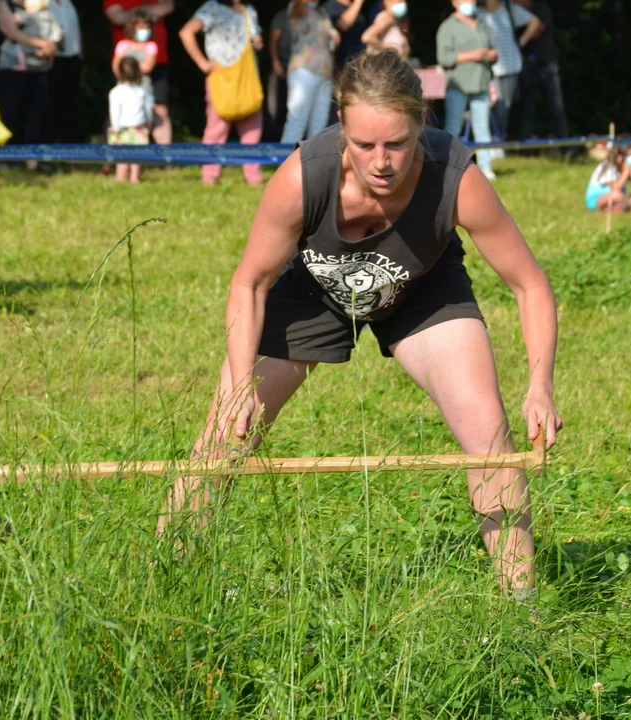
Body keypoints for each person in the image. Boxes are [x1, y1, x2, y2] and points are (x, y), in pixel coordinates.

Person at [156, 50, 562, 599]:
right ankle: (166, 585)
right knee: (225, 432)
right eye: (364, 144)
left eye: (397, 143)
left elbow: (530, 285)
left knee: (489, 434)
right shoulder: (304, 176)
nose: (381, 162)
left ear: (421, 123)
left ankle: (521, 610)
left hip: (422, 289)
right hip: (313, 289)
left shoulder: (455, 177)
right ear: (341, 124)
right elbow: (249, 284)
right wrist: (239, 386)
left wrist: (539, 387)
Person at [179, 0, 265, 186]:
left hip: (247, 76)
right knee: (216, 128)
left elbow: (255, 39)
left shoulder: (249, 10)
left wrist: (258, 42)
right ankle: (209, 176)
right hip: (221, 77)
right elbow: (186, 32)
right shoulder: (212, 8)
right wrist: (202, 63)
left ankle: (253, 177)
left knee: (252, 127)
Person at [0, 0, 60, 171]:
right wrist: (44, 44)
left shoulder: (41, 4)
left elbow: (55, 29)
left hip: (39, 67)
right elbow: (12, 32)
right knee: (7, 112)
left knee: (36, 114)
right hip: (11, 67)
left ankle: (32, 160)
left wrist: (51, 47)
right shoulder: (4, 4)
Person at [437, 0, 497, 181]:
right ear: (454, 3)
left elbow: (492, 48)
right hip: (458, 85)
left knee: (482, 128)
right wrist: (472, 55)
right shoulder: (448, 26)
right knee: (453, 127)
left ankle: (486, 168)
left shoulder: (481, 24)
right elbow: (444, 58)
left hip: (481, 83)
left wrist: (492, 55)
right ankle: (448, 166)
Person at [104, 0, 174, 146]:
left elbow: (167, 6)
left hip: (150, 78)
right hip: (124, 82)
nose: (143, 30)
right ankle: (112, 153)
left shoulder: (151, 47)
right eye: (139, 26)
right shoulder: (123, 46)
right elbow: (117, 17)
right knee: (116, 111)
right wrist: (149, 11)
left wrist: (134, 12)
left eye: (146, 26)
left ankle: (165, 155)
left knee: (158, 109)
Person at [477, 0, 542, 141]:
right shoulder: (478, 14)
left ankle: (497, 140)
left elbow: (534, 22)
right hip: (486, 68)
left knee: (503, 108)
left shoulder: (509, 9)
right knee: (488, 107)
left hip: (510, 66)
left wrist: (520, 43)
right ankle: (489, 140)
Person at [279, 0, 339, 145]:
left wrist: (335, 38)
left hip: (324, 71)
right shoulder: (297, 6)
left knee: (319, 121)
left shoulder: (322, 12)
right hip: (303, 68)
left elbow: (330, 39)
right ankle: (286, 156)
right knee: (297, 118)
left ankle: (314, 157)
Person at [514, 0, 567, 144]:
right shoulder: (514, 12)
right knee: (526, 109)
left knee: (556, 108)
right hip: (527, 67)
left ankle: (565, 146)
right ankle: (525, 148)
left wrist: (519, 42)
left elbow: (537, 30)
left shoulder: (542, 9)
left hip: (547, 65)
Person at [109, 56, 154, 184]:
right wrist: (149, 123)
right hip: (139, 128)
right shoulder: (142, 91)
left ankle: (120, 176)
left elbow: (115, 112)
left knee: (122, 155)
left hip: (122, 129)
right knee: (137, 156)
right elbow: (148, 109)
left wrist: (115, 128)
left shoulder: (115, 92)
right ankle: (135, 177)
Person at [48, 0, 82, 144]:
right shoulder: (42, 3)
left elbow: (75, 28)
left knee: (70, 103)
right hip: (53, 58)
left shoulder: (68, 3)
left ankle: (67, 141)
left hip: (72, 57)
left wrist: (80, 51)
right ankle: (51, 141)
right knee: (52, 102)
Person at [267, 6, 293, 140]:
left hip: (298, 70)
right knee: (277, 108)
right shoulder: (283, 16)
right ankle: (275, 142)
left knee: (293, 110)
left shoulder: (314, 15)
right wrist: (276, 62)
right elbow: (273, 40)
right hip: (282, 67)